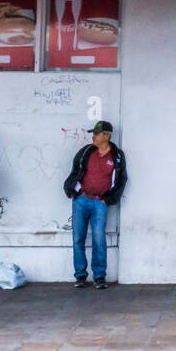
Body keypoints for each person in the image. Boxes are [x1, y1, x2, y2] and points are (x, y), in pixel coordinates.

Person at [62, 120, 127, 288]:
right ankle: (80, 276)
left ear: (107, 135)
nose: (94, 137)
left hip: (100, 202)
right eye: (94, 134)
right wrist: (72, 192)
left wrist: (109, 199)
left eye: (97, 134)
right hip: (81, 200)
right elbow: (75, 169)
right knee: (78, 238)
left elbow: (121, 180)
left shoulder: (117, 156)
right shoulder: (85, 152)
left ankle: (99, 276)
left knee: (99, 239)